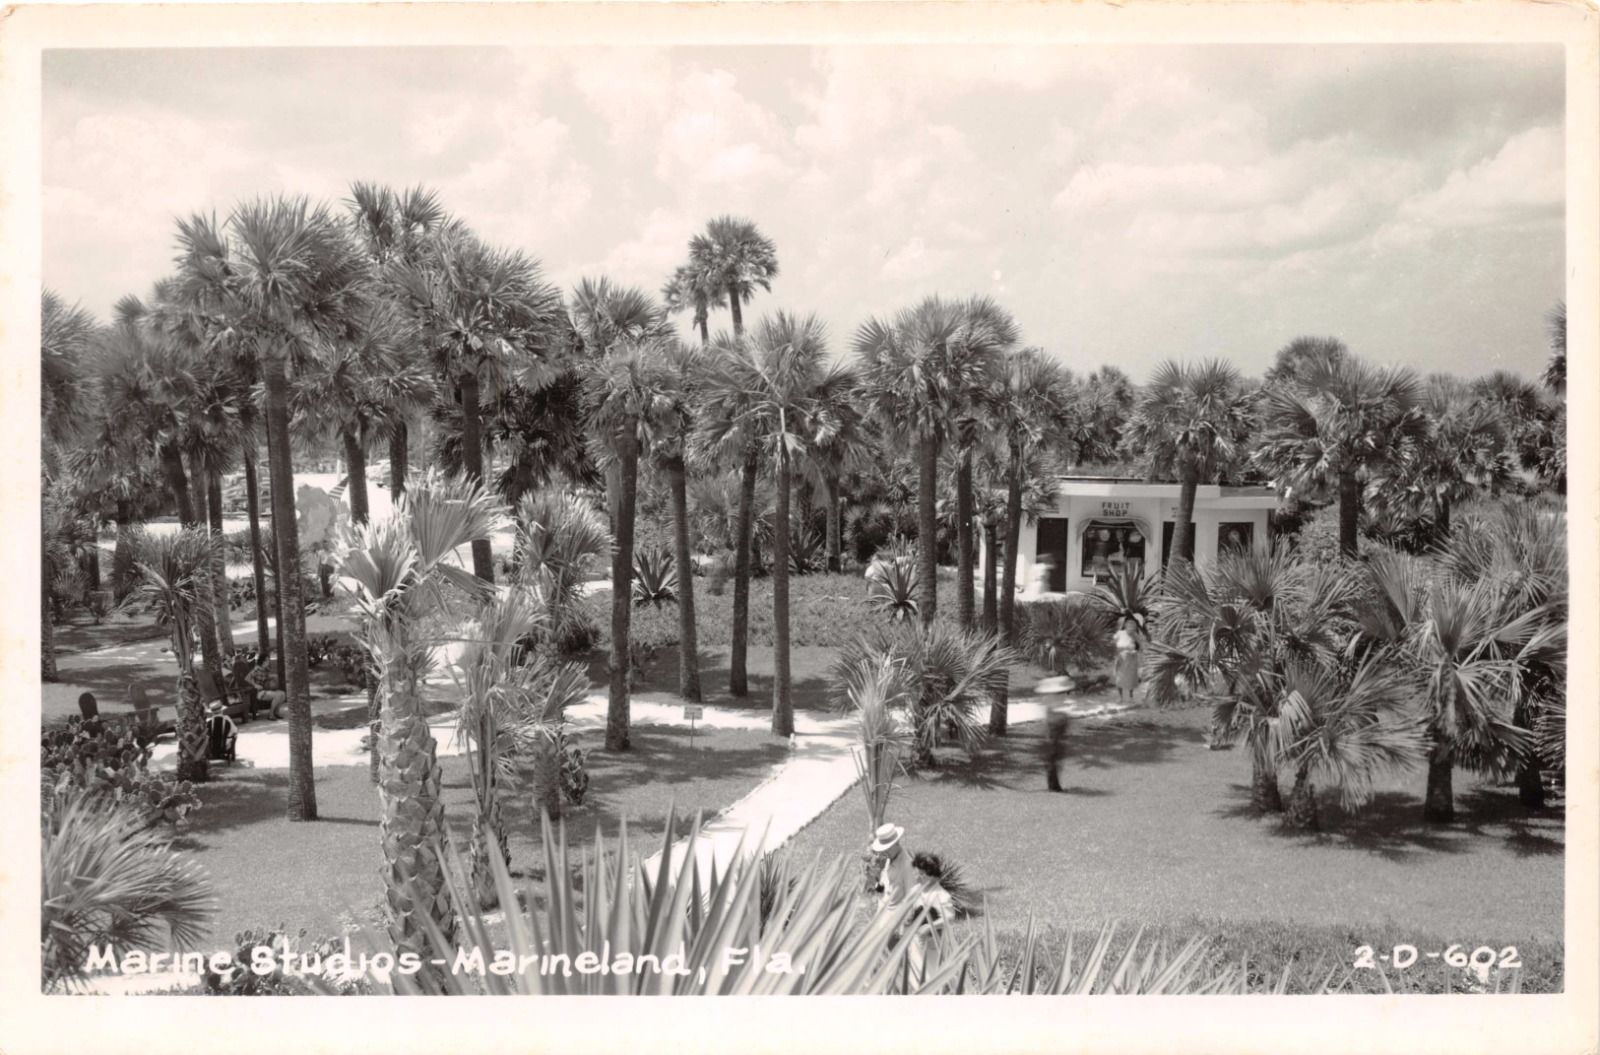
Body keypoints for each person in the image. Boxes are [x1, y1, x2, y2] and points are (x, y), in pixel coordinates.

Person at [1113, 615, 1143, 702]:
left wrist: (1136, 651)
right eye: (1129, 626)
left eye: (1133, 627)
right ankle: (1120, 697)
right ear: (1125, 626)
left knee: (1131, 679)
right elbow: (1113, 643)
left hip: (1131, 659)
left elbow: (1140, 646)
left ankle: (1131, 697)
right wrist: (1116, 652)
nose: (1131, 628)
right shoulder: (1120, 633)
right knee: (1119, 678)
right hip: (1121, 658)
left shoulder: (1135, 635)